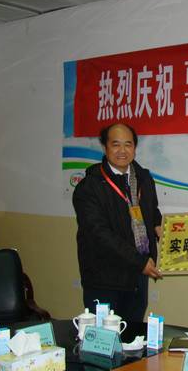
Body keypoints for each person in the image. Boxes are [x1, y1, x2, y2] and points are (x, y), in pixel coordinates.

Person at [73, 123, 162, 325]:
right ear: (105, 148)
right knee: (103, 338)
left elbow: (151, 210)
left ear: (134, 148)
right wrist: (139, 262)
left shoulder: (144, 179)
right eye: (116, 144)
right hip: (104, 279)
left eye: (128, 144)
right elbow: (99, 234)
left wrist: (158, 226)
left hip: (137, 277)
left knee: (133, 335)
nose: (122, 150)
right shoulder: (89, 187)